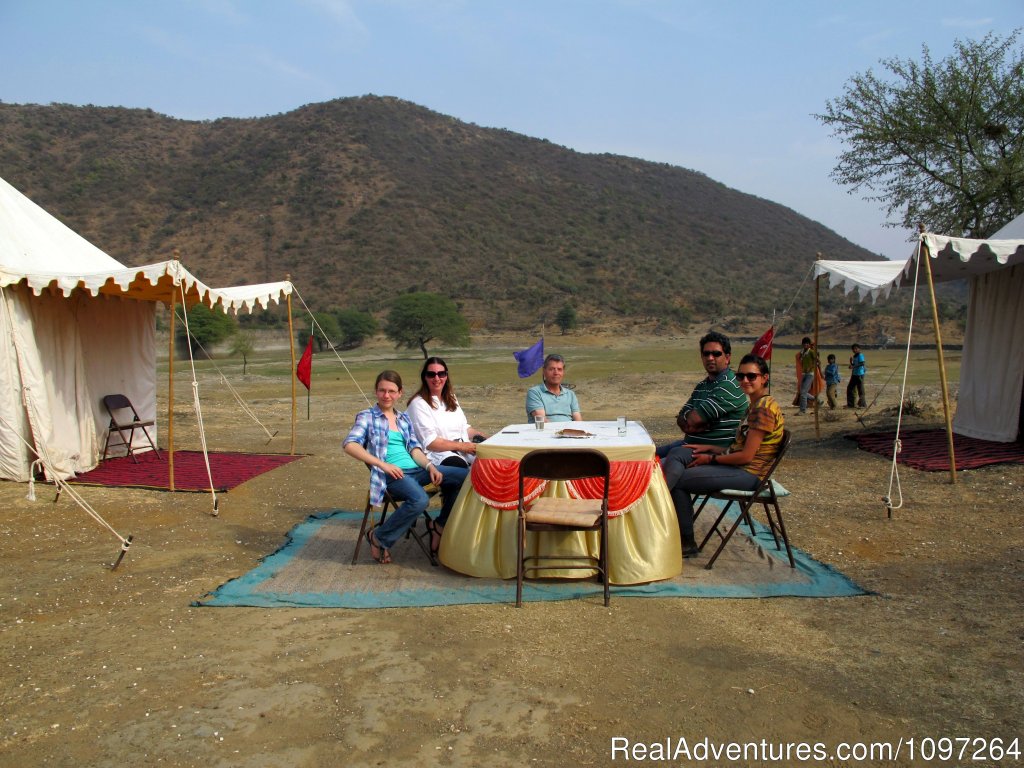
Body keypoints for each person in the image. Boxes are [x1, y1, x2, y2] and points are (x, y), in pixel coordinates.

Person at [661, 354, 785, 558]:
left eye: (751, 376)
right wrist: (710, 448)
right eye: (741, 376)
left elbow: (746, 457)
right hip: (740, 468)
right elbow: (740, 447)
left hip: (750, 474)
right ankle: (675, 528)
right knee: (679, 458)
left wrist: (711, 459)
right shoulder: (757, 405)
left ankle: (686, 541)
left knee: (681, 480)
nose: (745, 380)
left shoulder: (762, 410)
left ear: (764, 378)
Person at [343, 370, 467, 564]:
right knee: (419, 500)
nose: (386, 395)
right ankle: (378, 537)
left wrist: (430, 466)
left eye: (391, 391)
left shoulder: (403, 419)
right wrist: (381, 464)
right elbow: (350, 445)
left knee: (466, 476)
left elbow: (415, 449)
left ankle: (439, 526)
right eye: (382, 390)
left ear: (399, 393)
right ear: (376, 392)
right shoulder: (367, 417)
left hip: (417, 471)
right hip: (392, 475)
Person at [406, 357, 487, 552]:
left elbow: (465, 428)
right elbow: (431, 442)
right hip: (436, 455)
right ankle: (442, 524)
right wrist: (465, 447)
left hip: (461, 449)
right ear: (424, 377)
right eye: (431, 374)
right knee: (459, 471)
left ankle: (472, 526)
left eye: (441, 373)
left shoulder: (450, 398)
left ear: (446, 375)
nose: (437, 378)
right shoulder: (419, 404)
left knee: (490, 465)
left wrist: (487, 438)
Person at [656, 331, 748, 459]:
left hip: (709, 451)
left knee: (656, 469)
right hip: (689, 444)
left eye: (716, 354)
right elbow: (682, 417)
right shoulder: (703, 385)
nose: (710, 358)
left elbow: (693, 419)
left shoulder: (729, 385)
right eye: (706, 354)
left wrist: (691, 418)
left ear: (727, 358)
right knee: (647, 454)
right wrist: (691, 419)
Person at [525, 354, 582, 423]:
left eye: (559, 369)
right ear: (544, 371)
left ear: (563, 372)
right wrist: (560, 432)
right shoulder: (535, 392)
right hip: (545, 432)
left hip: (569, 432)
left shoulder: (570, 394)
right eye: (551, 369)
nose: (556, 373)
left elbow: (578, 420)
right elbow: (542, 420)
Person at [797, 337, 819, 414]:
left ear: (809, 345)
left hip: (810, 374)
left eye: (807, 343)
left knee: (803, 392)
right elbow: (799, 359)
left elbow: (817, 361)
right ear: (802, 344)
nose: (806, 345)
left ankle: (802, 410)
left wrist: (811, 367)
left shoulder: (811, 352)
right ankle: (816, 399)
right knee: (802, 391)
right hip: (804, 373)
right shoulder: (802, 352)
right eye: (804, 343)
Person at [846, 343, 867, 408]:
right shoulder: (855, 356)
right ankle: (851, 404)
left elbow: (862, 363)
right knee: (850, 389)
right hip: (854, 375)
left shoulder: (860, 355)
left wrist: (853, 366)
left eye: (856, 349)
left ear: (859, 349)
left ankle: (863, 405)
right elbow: (854, 365)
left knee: (860, 390)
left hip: (859, 375)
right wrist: (851, 363)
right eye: (853, 349)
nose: (854, 350)